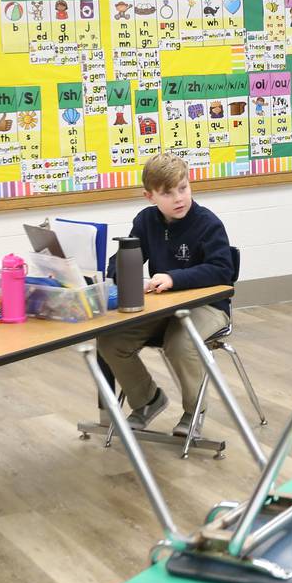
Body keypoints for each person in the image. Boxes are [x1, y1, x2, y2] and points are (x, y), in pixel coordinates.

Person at [99, 152, 235, 438]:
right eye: (167, 193)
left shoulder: (208, 223)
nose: (178, 198)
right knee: (111, 340)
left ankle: (193, 411)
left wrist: (174, 278)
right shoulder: (146, 221)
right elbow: (122, 258)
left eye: (183, 188)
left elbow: (222, 270)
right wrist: (127, 272)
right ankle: (148, 400)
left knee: (180, 342)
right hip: (165, 307)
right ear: (150, 196)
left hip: (208, 306)